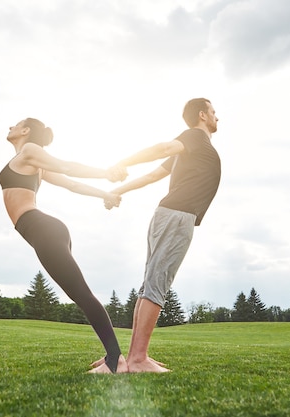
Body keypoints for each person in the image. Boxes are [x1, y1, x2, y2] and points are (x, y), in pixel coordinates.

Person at [97, 98, 221, 372]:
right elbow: (162, 148)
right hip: (177, 216)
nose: (217, 117)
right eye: (213, 112)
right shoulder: (195, 137)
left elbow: (154, 175)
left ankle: (133, 357)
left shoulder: (191, 149)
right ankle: (138, 359)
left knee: (150, 283)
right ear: (202, 115)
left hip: (168, 215)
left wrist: (118, 191)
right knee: (157, 283)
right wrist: (122, 162)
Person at [0, 117, 128, 374]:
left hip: (43, 230)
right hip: (43, 230)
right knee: (79, 293)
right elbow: (72, 185)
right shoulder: (30, 160)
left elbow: (67, 168)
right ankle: (112, 356)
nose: (9, 126)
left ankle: (115, 361)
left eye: (15, 123)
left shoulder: (30, 151)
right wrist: (105, 194)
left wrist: (106, 173)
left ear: (25, 131)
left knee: (80, 293)